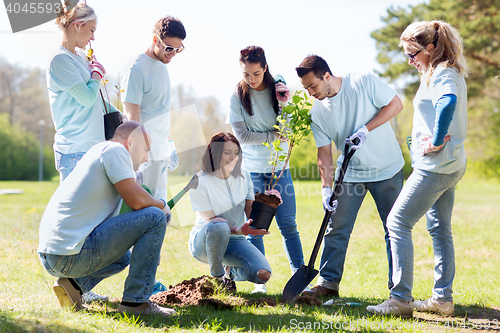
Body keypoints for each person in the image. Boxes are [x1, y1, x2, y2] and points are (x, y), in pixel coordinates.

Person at [367, 20, 468, 318]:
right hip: (450, 165)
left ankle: (400, 300)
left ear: (431, 48)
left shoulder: (443, 74)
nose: (410, 61)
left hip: (435, 167)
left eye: (413, 54)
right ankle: (442, 299)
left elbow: (447, 103)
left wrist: (436, 140)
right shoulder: (441, 71)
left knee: (397, 223)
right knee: (439, 228)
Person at [38, 121, 175, 317]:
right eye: (146, 150)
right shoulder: (115, 151)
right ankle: (135, 304)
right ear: (130, 142)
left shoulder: (98, 151)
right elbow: (136, 201)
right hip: (68, 255)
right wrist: (162, 205)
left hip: (54, 254)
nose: (146, 158)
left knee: (123, 257)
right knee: (155, 217)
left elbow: (127, 216)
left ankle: (74, 286)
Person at [296, 55, 405, 298]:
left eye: (312, 86)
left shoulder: (363, 83)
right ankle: (327, 283)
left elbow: (396, 104)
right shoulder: (317, 113)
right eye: (306, 88)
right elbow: (324, 153)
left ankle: (398, 291)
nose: (310, 93)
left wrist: (366, 128)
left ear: (327, 76)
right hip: (350, 174)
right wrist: (326, 188)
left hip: (388, 168)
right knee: (336, 228)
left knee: (394, 230)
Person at [47, 2, 120, 303]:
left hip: (91, 150)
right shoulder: (59, 61)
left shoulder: (77, 58)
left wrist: (122, 118)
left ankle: (79, 287)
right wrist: (95, 75)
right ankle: (75, 286)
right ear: (76, 26)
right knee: (79, 226)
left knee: (101, 224)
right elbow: (87, 96)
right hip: (75, 151)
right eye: (90, 31)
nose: (92, 38)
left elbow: (98, 102)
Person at [228, 46, 304, 294]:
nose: (251, 79)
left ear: (265, 68)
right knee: (255, 228)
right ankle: (258, 281)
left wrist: (285, 103)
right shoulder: (237, 96)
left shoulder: (278, 89)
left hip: (279, 169)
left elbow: (290, 128)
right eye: (246, 74)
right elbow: (241, 136)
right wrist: (273, 135)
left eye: (256, 74)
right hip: (252, 171)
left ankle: (300, 280)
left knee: (289, 226)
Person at [120, 15, 186, 294]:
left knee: (160, 219)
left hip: (160, 156)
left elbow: (159, 112)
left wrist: (169, 142)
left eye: (178, 49)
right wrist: (140, 157)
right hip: (144, 160)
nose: (172, 54)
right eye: (168, 48)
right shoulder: (137, 68)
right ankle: (141, 285)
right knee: (148, 219)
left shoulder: (162, 66)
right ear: (155, 39)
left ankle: (148, 280)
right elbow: (131, 120)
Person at [188, 132, 271, 293]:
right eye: (227, 153)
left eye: (236, 153)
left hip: (235, 241)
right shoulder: (199, 181)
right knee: (219, 226)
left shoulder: (244, 175)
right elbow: (212, 221)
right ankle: (218, 279)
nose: (233, 157)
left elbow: (251, 212)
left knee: (263, 274)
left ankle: (228, 273)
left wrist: (269, 203)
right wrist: (238, 229)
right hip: (205, 241)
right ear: (215, 153)